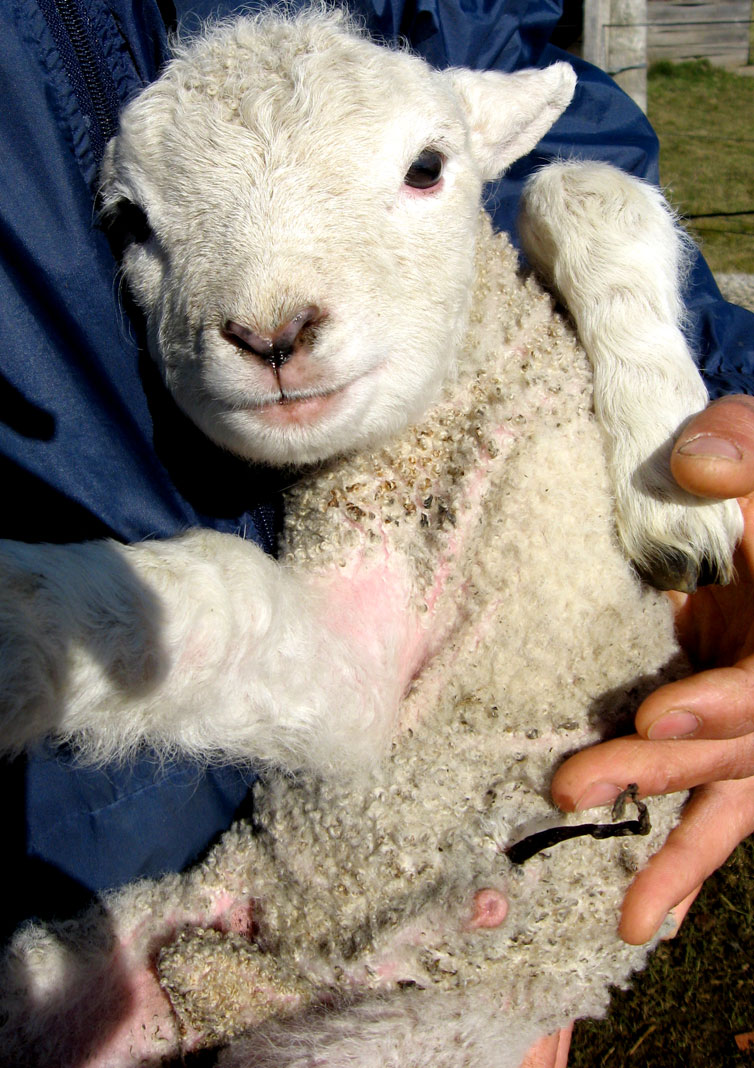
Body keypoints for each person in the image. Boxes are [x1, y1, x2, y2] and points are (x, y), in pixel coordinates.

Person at [1, 0, 753, 1061]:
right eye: (139, 225)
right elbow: (335, 676)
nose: (269, 319)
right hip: (153, 851)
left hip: (522, 875)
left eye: (424, 168)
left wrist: (707, 411)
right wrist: (49, 634)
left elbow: (510, 60)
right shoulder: (357, 489)